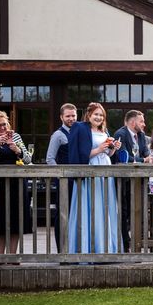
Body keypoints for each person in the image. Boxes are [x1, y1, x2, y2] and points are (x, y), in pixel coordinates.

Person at [67, 102, 122, 255]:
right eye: (96, 114)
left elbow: (108, 155)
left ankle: (106, 248)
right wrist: (99, 149)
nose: (98, 117)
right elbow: (78, 153)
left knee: (105, 207)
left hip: (106, 171)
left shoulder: (105, 131)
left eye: (101, 115)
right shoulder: (80, 128)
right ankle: (88, 248)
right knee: (91, 207)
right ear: (89, 115)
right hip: (90, 171)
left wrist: (112, 148)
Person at [0, 111, 32, 256]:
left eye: (4, 124)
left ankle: (13, 255)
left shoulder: (15, 136)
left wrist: (18, 150)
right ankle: (0, 255)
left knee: (16, 221)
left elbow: (28, 160)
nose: (2, 128)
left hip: (16, 185)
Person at [112, 110, 151, 252]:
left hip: (138, 180)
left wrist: (146, 158)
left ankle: (137, 243)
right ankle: (125, 244)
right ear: (133, 122)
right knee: (123, 212)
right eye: (142, 121)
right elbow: (122, 157)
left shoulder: (140, 135)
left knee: (138, 211)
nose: (144, 124)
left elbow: (146, 153)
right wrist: (142, 160)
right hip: (123, 180)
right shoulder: (120, 134)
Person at [46, 103, 77, 252]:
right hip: (65, 181)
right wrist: (60, 177)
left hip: (78, 181)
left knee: (76, 215)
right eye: (68, 116)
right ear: (61, 117)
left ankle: (75, 249)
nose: (71, 118)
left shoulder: (79, 132)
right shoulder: (58, 135)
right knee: (63, 216)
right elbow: (50, 159)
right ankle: (62, 251)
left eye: (73, 115)